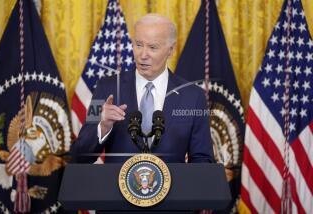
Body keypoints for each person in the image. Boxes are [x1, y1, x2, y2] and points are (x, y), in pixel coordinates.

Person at [71, 14, 214, 163]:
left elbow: (203, 160)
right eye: (138, 45)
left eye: (152, 47)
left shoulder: (193, 97)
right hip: (116, 185)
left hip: (173, 186)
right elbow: (79, 156)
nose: (143, 55)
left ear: (170, 50)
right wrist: (103, 126)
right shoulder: (106, 88)